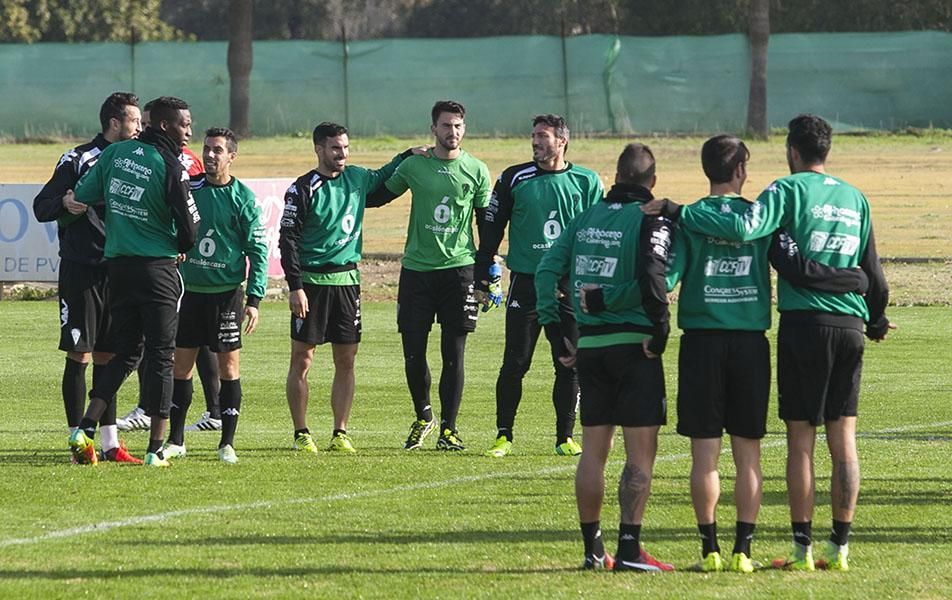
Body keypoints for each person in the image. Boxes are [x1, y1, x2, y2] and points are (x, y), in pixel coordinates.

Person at [649, 115, 892, 571]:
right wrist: (869, 305)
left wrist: (676, 211)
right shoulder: (854, 198)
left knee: (793, 442)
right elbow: (871, 272)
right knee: (841, 441)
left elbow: (741, 243)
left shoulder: (781, 195)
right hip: (838, 329)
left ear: (793, 152)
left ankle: (775, 550)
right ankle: (834, 547)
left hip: (787, 328)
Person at [535, 143, 674, 572]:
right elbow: (657, 278)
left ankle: (593, 549)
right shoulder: (649, 219)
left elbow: (544, 273)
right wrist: (648, 319)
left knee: (593, 450)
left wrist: (560, 336)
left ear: (615, 175)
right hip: (635, 346)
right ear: (651, 182)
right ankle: (630, 548)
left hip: (591, 348)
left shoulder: (586, 217)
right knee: (639, 455)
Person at [70, 95, 201, 467]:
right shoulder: (171, 164)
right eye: (184, 124)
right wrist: (178, 243)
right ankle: (155, 450)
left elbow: (84, 196)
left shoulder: (114, 154)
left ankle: (85, 427)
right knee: (161, 355)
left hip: (119, 269)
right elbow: (190, 228)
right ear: (163, 126)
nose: (189, 130)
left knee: (126, 352)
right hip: (157, 269)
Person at [279, 122, 425, 454]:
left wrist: (406, 155)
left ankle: (340, 432)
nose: (342, 153)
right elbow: (286, 241)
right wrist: (295, 287)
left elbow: (386, 180)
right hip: (312, 284)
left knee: (347, 360)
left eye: (345, 147)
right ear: (318, 149)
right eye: (335, 148)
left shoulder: (357, 178)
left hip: (347, 283)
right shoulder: (302, 188)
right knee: (302, 359)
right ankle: (301, 432)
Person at [474, 114, 603, 458]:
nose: (535, 142)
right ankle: (504, 435)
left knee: (569, 361)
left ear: (562, 141)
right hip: (527, 284)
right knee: (515, 362)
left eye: (543, 136)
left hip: (568, 285)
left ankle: (564, 437)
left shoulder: (586, 181)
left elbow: (596, 234)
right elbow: (492, 227)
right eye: (533, 136)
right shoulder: (515, 177)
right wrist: (482, 273)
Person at [369, 100, 491, 451]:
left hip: (459, 271)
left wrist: (486, 273)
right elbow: (376, 197)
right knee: (413, 352)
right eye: (445, 126)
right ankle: (424, 415)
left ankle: (449, 430)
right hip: (417, 272)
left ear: (464, 129)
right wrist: (401, 155)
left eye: (457, 126)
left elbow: (486, 223)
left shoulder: (477, 170)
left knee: (454, 352)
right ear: (433, 129)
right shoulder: (415, 166)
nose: (452, 132)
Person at [32, 92, 143, 464]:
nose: (139, 127)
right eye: (134, 120)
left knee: (109, 356)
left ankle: (110, 443)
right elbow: (41, 206)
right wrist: (63, 204)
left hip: (121, 270)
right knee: (80, 352)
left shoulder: (135, 162)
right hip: (82, 270)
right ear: (115, 123)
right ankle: (77, 442)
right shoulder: (78, 159)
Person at [162, 127, 267, 464]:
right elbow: (171, 227)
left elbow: (258, 250)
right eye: (206, 149)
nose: (209, 155)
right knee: (181, 368)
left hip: (226, 296)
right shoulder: (189, 190)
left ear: (231, 156)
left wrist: (254, 299)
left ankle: (227, 443)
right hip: (189, 293)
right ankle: (176, 440)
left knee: (229, 367)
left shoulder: (243, 198)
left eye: (217, 150)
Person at [116, 100, 222, 434]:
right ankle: (207, 409)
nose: (140, 128)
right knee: (188, 337)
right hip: (177, 256)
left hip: (174, 260)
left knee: (167, 338)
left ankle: (153, 409)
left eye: (144, 123)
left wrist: (179, 245)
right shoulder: (172, 157)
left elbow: (191, 207)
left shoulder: (179, 160)